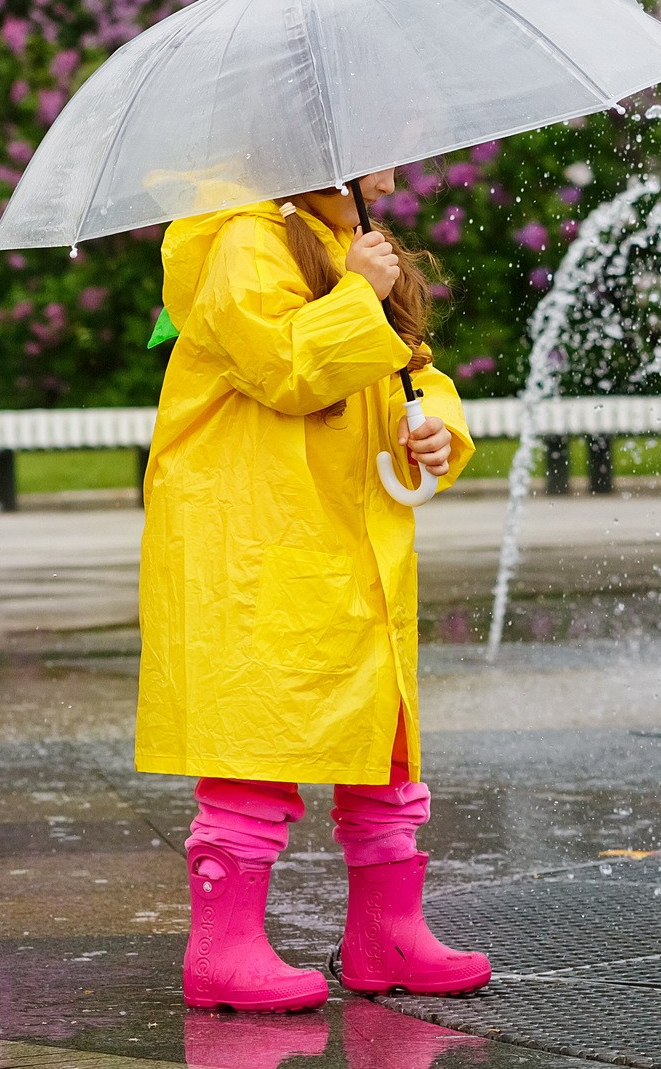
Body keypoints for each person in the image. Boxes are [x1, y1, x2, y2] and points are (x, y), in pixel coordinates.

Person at [136, 166, 489, 1013]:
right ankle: (222, 947)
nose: (397, 165)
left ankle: (386, 935)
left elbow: (413, 369)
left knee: (382, 742)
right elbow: (287, 366)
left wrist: (437, 425)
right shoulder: (243, 243)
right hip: (262, 543)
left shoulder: (354, 246)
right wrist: (358, 295)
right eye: (378, 144)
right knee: (257, 737)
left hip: (349, 536)